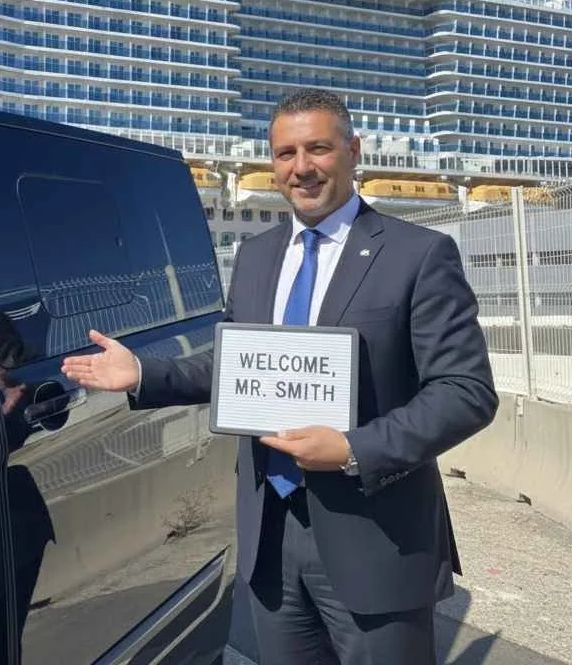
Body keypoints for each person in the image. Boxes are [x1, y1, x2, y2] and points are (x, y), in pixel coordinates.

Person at [60, 87, 499, 664]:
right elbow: (236, 367)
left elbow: (466, 392)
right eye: (286, 153)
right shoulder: (258, 255)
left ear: (353, 151)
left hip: (376, 539)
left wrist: (352, 447)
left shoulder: (418, 254)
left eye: (318, 148)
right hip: (271, 537)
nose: (302, 168)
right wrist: (143, 372)